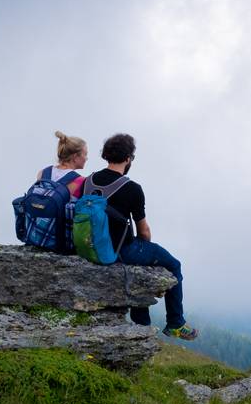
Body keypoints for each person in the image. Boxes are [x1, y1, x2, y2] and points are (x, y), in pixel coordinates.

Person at [87, 133, 198, 340]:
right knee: (174, 264)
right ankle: (175, 322)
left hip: (92, 245)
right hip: (122, 249)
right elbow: (144, 231)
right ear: (128, 158)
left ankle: (142, 323)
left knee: (143, 264)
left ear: (106, 155)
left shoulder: (89, 181)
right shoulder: (132, 188)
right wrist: (144, 249)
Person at [36, 131, 87, 198]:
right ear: (75, 157)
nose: (86, 158)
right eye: (85, 154)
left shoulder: (42, 173)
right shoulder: (80, 181)